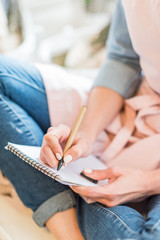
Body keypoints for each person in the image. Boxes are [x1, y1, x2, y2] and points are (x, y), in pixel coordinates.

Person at [0, 0, 160, 239]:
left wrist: (149, 182)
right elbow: (122, 58)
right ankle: (69, 228)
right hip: (133, 107)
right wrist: (86, 134)